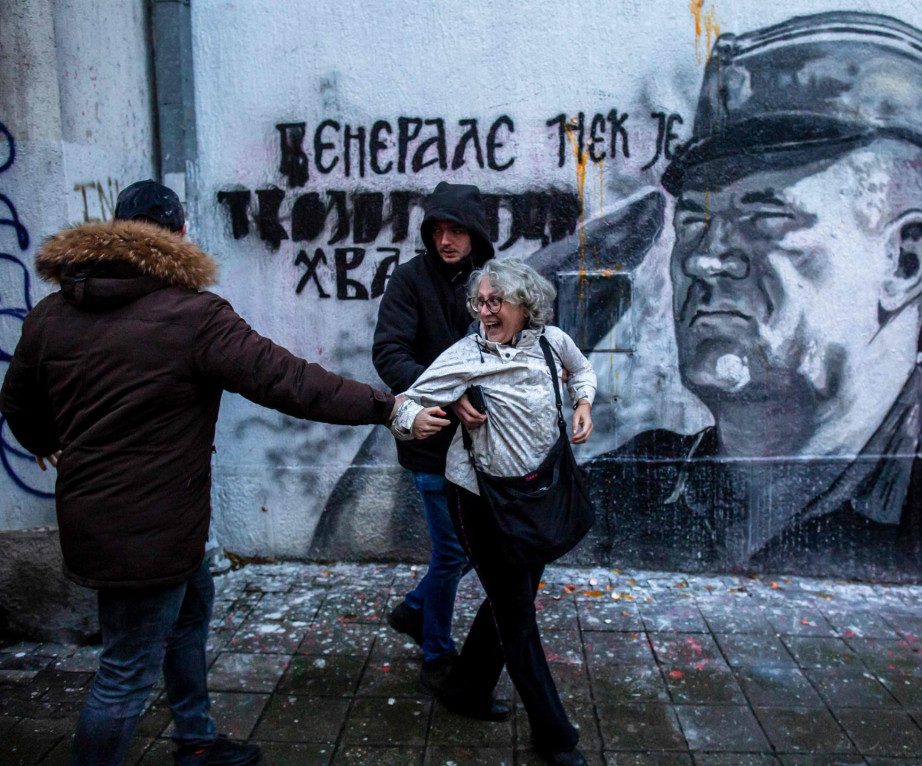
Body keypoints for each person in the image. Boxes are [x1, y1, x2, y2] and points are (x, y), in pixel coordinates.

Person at [593, 11, 922, 585]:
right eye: (694, 220)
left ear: (905, 261)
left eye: (766, 215)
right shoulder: (620, 490)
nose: (704, 256)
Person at [0, 180, 409, 766]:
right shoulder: (194, 316)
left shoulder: (51, 314)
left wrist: (43, 440)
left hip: (130, 518)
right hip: (150, 531)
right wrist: (385, 407)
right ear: (180, 236)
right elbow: (290, 382)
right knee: (122, 675)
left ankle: (194, 737)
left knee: (192, 608)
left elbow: (17, 403)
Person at [390, 259, 596, 766]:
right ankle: (555, 735)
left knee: (511, 602)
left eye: (494, 302)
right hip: (482, 503)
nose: (484, 311)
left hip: (540, 496)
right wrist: (417, 419)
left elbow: (582, 369)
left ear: (525, 305)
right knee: (519, 619)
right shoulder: (465, 356)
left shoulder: (551, 341)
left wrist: (583, 402)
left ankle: (465, 688)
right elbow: (404, 403)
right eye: (479, 302)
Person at [372, 181, 495, 691]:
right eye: (437, 230)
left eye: (456, 230)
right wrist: (446, 396)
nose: (445, 240)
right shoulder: (409, 281)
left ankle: (415, 609)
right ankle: (436, 655)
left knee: (468, 550)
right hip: (431, 438)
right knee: (452, 553)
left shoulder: (492, 281)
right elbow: (389, 354)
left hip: (484, 443)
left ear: (475, 235)